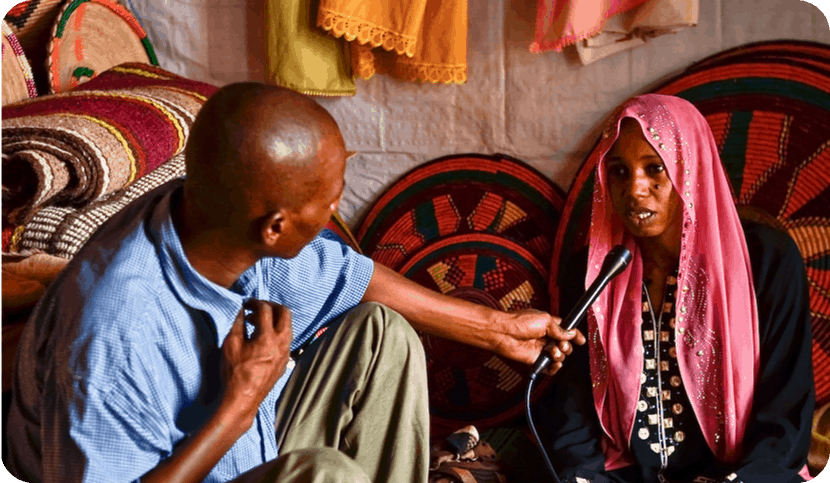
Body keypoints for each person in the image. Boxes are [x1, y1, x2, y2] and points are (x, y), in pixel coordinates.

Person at [5, 82, 584, 483]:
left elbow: (350, 279)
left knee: (381, 334)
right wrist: (240, 404)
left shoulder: (215, 224)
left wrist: (497, 327)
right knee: (326, 476)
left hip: (240, 440)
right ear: (277, 226)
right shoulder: (111, 335)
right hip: (191, 454)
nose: (336, 209)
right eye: (328, 201)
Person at [536, 94, 814, 483]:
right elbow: (572, 401)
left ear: (692, 170)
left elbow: (787, 412)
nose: (635, 190)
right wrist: (581, 475)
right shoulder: (593, 270)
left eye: (655, 169)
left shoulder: (766, 260)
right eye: (618, 172)